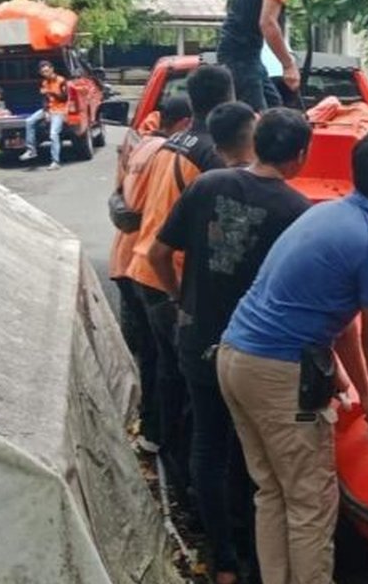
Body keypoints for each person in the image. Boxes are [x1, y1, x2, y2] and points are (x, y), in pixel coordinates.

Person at [218, 130, 368, 584]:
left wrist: (365, 393)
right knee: (311, 501)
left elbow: (340, 324)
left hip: (235, 357)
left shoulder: (324, 214)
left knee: (272, 492)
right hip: (278, 372)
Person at [149, 109, 312, 584]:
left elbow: (160, 254)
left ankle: (221, 557)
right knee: (253, 455)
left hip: (198, 336)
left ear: (255, 142)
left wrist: (183, 298)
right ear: (300, 156)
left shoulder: (207, 185)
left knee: (208, 441)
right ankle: (254, 553)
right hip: (255, 351)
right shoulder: (297, 213)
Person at [126, 65, 243, 503]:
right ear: (229, 97)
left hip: (144, 270)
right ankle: (191, 490)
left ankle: (168, 460)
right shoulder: (212, 156)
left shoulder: (167, 144)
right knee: (199, 398)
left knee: (167, 375)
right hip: (171, 278)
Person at [108, 96, 193, 453]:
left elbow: (120, 202)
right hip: (150, 262)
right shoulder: (172, 155)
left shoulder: (140, 147)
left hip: (125, 257)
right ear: (186, 122)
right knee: (166, 358)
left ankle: (151, 429)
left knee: (150, 352)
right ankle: (164, 435)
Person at [19, 60, 70, 169]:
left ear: (52, 69)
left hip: (59, 110)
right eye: (43, 72)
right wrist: (46, 111)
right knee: (29, 121)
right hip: (49, 109)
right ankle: (31, 150)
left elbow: (65, 98)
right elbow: (45, 99)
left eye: (47, 71)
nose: (45, 73)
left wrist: (52, 93)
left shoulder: (61, 80)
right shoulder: (44, 83)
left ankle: (55, 162)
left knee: (53, 134)